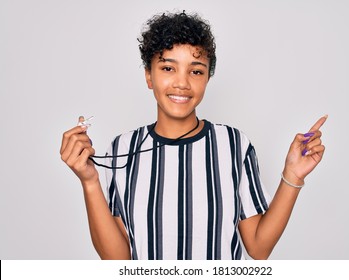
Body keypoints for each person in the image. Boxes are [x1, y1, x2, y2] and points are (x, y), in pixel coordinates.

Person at [60, 11, 326, 260]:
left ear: (207, 78)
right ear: (148, 76)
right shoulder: (123, 149)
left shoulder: (234, 145)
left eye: (196, 71)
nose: (182, 82)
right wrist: (90, 182)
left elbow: (258, 248)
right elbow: (118, 261)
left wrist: (292, 176)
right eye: (168, 68)